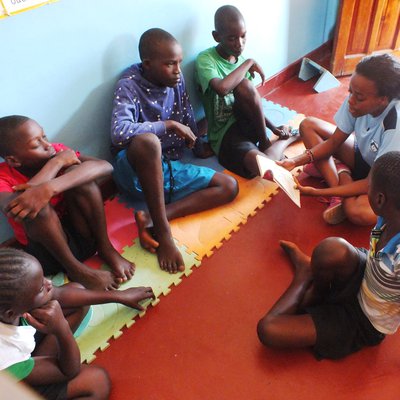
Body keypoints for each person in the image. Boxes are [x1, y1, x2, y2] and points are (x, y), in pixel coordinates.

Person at [110, 28, 238, 274]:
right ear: (147, 64)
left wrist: (197, 144)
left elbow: (186, 114)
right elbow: (119, 132)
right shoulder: (128, 84)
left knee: (229, 186)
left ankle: (151, 218)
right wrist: (168, 125)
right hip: (134, 172)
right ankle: (164, 232)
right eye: (170, 64)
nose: (178, 70)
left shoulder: (175, 80)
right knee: (148, 142)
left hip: (166, 169)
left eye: (179, 62)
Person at [257, 151, 400, 360]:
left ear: (379, 199)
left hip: (364, 320)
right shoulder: (387, 217)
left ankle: (304, 276)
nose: (366, 191)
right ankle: (316, 289)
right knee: (331, 249)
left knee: (269, 329)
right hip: (367, 273)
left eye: (369, 187)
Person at [0, 115, 135, 291]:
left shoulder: (57, 152)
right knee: (34, 209)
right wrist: (54, 165)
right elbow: (15, 207)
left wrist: (51, 187)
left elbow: (105, 167)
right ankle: (77, 271)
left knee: (79, 175)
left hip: (85, 236)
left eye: (44, 136)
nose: (47, 145)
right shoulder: (5, 177)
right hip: (51, 256)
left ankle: (106, 248)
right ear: (13, 160)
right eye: (36, 144)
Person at [0, 247, 154, 399]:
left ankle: (39, 362)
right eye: (41, 288)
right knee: (96, 382)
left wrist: (119, 296)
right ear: (11, 313)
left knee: (76, 294)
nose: (49, 283)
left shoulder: (10, 305)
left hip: (18, 357)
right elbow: (68, 371)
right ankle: (39, 366)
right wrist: (61, 328)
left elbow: (59, 294)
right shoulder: (8, 358)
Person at [279, 53, 400, 225]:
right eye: (350, 91)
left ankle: (340, 177)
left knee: (357, 213)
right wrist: (294, 161)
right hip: (364, 157)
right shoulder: (356, 100)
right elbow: (334, 142)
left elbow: (370, 183)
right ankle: (340, 185)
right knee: (308, 125)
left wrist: (318, 192)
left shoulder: (395, 127)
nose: (350, 100)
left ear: (383, 100)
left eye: (359, 97)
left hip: (383, 181)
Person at [195, 5, 299, 180]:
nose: (240, 44)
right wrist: (250, 62)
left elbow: (253, 103)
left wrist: (273, 128)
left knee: (245, 86)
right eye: (232, 39)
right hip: (225, 135)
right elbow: (222, 88)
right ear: (216, 37)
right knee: (266, 171)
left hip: (249, 125)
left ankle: (266, 142)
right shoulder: (206, 59)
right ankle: (289, 139)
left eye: (243, 36)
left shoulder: (241, 62)